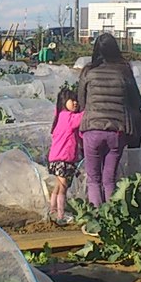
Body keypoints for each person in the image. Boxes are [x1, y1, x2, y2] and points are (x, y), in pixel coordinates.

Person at [77, 32, 141, 206]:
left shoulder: (88, 71)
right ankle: (111, 218)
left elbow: (81, 103)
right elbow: (137, 102)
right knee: (109, 179)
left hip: (92, 129)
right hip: (117, 131)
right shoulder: (124, 70)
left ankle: (96, 220)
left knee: (93, 179)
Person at [47, 85, 83, 223]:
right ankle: (61, 216)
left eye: (76, 100)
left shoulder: (59, 117)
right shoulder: (68, 117)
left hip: (56, 159)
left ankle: (52, 210)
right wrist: (90, 108)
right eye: (72, 100)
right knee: (64, 187)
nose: (75, 103)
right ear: (63, 102)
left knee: (58, 186)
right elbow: (82, 117)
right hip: (63, 159)